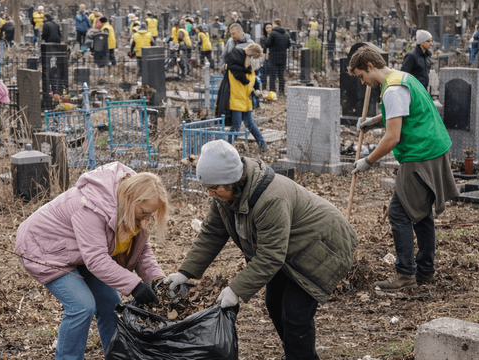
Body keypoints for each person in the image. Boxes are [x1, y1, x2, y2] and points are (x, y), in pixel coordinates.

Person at [164, 140, 358, 360]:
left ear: (232, 180)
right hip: (290, 249)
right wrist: (186, 272)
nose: (210, 194)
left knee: (295, 315)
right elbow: (212, 233)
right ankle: (296, 355)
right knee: (274, 304)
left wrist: (235, 290)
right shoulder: (224, 197)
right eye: (207, 188)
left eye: (213, 188)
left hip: (322, 247)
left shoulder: (269, 198)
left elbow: (271, 256)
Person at [16, 162, 168, 359]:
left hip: (80, 252)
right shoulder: (91, 206)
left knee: (111, 304)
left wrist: (157, 281)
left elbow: (141, 250)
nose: (146, 218)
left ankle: (116, 356)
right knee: (81, 306)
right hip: (42, 248)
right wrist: (135, 286)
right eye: (145, 212)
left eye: (150, 214)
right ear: (132, 198)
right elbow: (96, 259)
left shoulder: (130, 206)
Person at [349, 46, 459, 292]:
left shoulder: (392, 90)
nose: (363, 82)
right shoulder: (402, 77)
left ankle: (405, 275)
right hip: (435, 148)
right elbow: (402, 112)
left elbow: (393, 137)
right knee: (420, 212)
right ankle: (425, 271)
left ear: (370, 67)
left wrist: (368, 161)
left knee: (399, 212)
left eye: (361, 76)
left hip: (420, 155)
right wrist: (373, 121)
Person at [218, 43, 268, 153]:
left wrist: (257, 89)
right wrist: (249, 84)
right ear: (250, 54)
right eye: (254, 57)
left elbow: (253, 79)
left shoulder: (248, 67)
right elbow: (241, 77)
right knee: (236, 126)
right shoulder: (235, 64)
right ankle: (229, 149)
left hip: (246, 100)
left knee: (250, 124)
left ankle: (262, 144)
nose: (254, 61)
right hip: (236, 99)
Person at [264, 19, 291, 95]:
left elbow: (267, 44)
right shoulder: (286, 33)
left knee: (273, 75)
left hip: (274, 57)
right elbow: (288, 45)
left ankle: (273, 91)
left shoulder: (273, 33)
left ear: (275, 24)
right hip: (283, 57)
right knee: (281, 75)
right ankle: (281, 91)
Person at [259, 22, 272, 90]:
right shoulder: (263, 38)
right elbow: (263, 46)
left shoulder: (273, 36)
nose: (269, 29)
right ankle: (263, 88)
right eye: (267, 28)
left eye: (270, 27)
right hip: (265, 57)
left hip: (272, 57)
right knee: (264, 74)